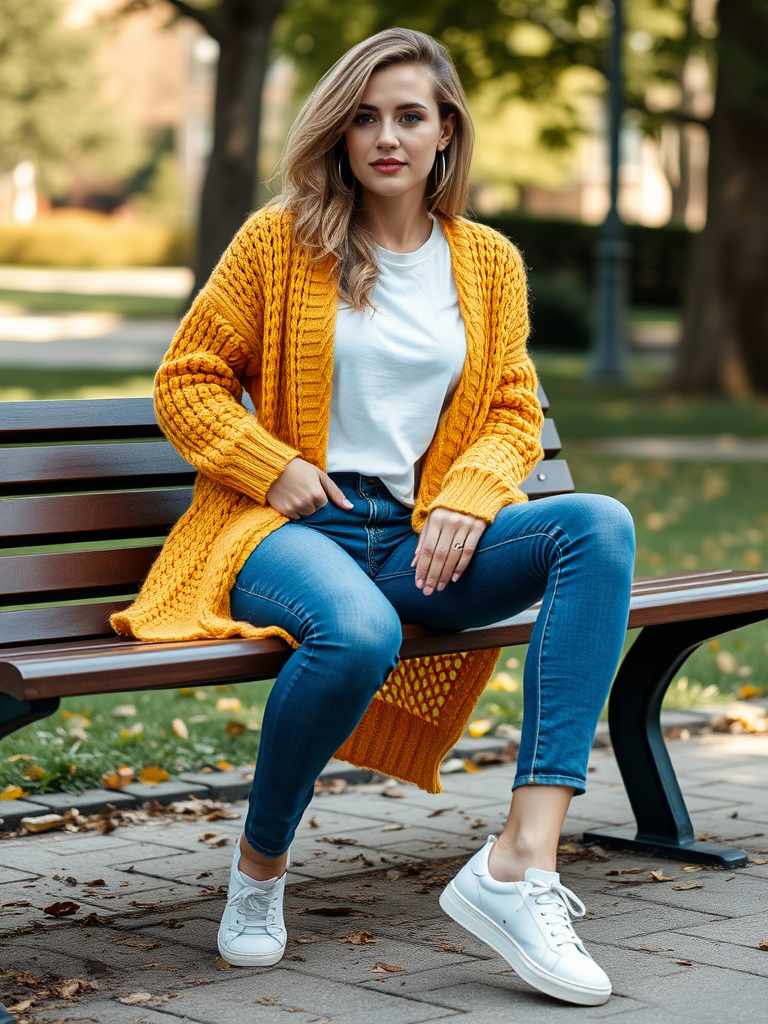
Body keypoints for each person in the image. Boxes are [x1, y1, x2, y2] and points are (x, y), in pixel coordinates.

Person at [111, 27, 635, 1008]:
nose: (386, 136)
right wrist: (270, 466)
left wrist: (469, 500)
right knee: (360, 633)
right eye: (364, 116)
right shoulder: (282, 239)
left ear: (446, 133)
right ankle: (260, 869)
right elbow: (188, 381)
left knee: (596, 526)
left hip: (415, 537)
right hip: (287, 535)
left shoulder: (487, 262)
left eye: (409, 116)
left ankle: (520, 863)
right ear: (340, 133)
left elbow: (516, 412)